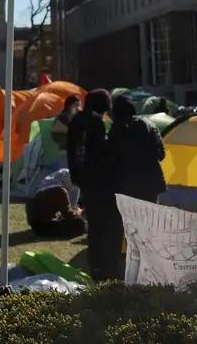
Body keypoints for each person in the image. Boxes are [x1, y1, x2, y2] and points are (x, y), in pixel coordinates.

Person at [67, 89, 119, 280]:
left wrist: (75, 176)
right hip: (98, 180)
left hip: (83, 179)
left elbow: (71, 152)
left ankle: (94, 263)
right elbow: (98, 152)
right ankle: (102, 264)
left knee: (93, 222)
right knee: (103, 223)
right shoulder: (95, 122)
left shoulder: (76, 120)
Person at [109, 96, 166, 204]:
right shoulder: (150, 125)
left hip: (127, 185)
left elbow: (112, 157)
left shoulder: (116, 128)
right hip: (151, 183)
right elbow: (161, 155)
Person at [26, 169, 85, 238]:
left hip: (35, 226)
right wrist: (79, 212)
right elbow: (68, 215)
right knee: (80, 223)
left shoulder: (41, 190)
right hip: (44, 227)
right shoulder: (60, 191)